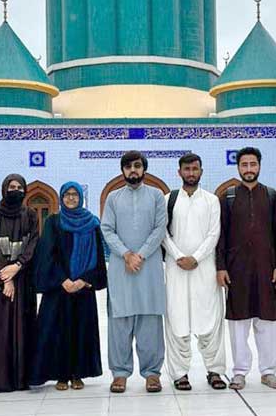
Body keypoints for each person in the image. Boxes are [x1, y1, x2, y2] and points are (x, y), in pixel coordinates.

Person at [216, 147, 276, 390]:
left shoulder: (272, 195)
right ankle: (239, 372)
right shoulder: (228, 196)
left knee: (266, 321)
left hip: (266, 267)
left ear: (259, 166)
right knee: (238, 322)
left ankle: (268, 371)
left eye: (252, 164)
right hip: (237, 270)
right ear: (238, 167)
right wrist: (221, 267)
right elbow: (221, 235)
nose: (248, 169)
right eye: (244, 165)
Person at [29, 182, 107, 391]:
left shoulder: (92, 223)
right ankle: (60, 375)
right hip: (59, 289)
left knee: (81, 331)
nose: (71, 198)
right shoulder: (54, 222)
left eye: (75, 195)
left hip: (83, 288)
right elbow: (46, 254)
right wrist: (62, 280)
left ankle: (77, 374)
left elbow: (99, 257)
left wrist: (84, 280)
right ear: (62, 198)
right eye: (67, 195)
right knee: (56, 332)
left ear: (80, 197)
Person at [101, 151, 168, 393]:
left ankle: (152, 373)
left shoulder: (157, 196)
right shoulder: (113, 198)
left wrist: (140, 254)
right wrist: (126, 254)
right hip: (122, 268)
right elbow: (107, 229)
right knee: (119, 320)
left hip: (148, 268)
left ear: (144, 169)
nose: (133, 170)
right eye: (128, 167)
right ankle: (120, 373)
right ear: (122, 171)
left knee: (150, 320)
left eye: (137, 166)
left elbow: (160, 228)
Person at [162, 153, 227, 391]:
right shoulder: (168, 199)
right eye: (187, 169)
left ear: (201, 171)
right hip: (176, 268)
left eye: (195, 169)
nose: (191, 173)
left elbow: (214, 233)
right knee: (176, 318)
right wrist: (179, 256)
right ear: (179, 172)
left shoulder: (211, 201)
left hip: (204, 268)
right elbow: (162, 233)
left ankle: (215, 371)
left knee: (210, 319)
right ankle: (180, 373)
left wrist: (196, 257)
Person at [0, 174, 39, 393]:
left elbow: (33, 243)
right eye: (11, 187)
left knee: (22, 329)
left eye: (19, 187)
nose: (16, 190)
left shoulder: (31, 215)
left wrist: (18, 267)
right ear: (4, 189)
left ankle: (22, 378)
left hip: (23, 281)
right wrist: (5, 278)